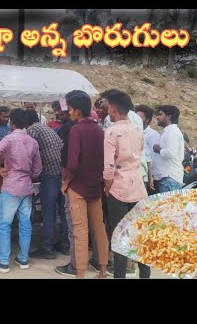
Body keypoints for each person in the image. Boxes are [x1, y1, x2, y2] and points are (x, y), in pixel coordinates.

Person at [55, 92, 108, 279]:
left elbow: (72, 164)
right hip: (95, 186)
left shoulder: (76, 130)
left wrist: (66, 182)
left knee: (80, 231)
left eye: (69, 109)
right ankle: (102, 271)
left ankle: (80, 275)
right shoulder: (99, 130)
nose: (68, 112)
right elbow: (104, 159)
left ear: (76, 111)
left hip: (77, 187)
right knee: (99, 228)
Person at [0, 108, 42, 273]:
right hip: (26, 188)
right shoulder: (33, 142)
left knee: (4, 224)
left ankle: (4, 262)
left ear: (12, 123)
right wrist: (28, 174)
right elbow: (38, 169)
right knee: (25, 224)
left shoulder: (9, 138)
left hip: (11, 187)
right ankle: (23, 259)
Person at [103, 91, 150, 279]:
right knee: (140, 235)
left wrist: (107, 188)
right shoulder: (138, 131)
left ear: (113, 110)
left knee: (119, 237)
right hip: (138, 188)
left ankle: (120, 275)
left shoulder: (112, 131)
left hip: (119, 190)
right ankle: (145, 275)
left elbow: (109, 167)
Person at [24, 110, 69, 259]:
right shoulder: (47, 128)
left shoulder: (32, 130)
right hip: (63, 174)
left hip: (50, 175)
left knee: (49, 212)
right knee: (63, 212)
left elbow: (27, 152)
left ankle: (47, 247)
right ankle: (65, 245)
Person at [152, 105, 185, 193]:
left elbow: (170, 153)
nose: (157, 117)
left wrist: (157, 149)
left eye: (160, 114)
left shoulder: (172, 131)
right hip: (166, 178)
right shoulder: (168, 131)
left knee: (168, 206)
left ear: (168, 116)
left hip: (169, 179)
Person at [135, 104, 161, 194]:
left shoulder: (153, 135)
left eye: (140, 117)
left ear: (147, 119)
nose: (137, 119)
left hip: (146, 177)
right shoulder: (133, 132)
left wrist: (151, 177)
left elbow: (153, 158)